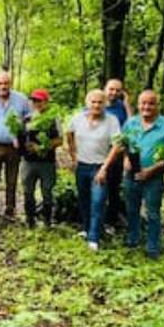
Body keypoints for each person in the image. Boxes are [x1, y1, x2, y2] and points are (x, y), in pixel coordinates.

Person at [99, 90, 164, 258]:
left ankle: (152, 246)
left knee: (153, 212)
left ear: (157, 105)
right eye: (143, 103)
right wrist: (125, 158)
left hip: (154, 176)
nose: (146, 107)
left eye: (151, 103)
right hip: (131, 174)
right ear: (138, 105)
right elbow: (122, 144)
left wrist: (151, 170)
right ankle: (133, 238)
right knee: (132, 209)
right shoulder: (131, 123)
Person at [67, 89, 120, 250]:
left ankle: (94, 237)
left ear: (105, 104)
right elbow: (69, 134)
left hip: (100, 167)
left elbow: (117, 145)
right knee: (84, 199)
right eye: (93, 102)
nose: (96, 105)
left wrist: (105, 167)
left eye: (100, 102)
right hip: (82, 165)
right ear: (87, 103)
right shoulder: (77, 118)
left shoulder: (112, 120)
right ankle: (86, 227)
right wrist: (73, 155)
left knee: (98, 200)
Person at [0, 70, 30, 216]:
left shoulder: (21, 99)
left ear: (11, 83)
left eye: (6, 83)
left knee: (12, 178)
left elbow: (28, 119)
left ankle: (10, 206)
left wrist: (21, 129)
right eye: (0, 83)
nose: (3, 86)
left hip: (13, 147)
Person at [19, 89, 62, 228]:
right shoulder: (26, 119)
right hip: (28, 161)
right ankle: (30, 220)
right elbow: (20, 138)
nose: (37, 103)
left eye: (39, 100)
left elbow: (60, 140)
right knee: (27, 191)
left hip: (47, 162)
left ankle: (47, 221)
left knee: (47, 191)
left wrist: (44, 146)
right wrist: (25, 145)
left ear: (46, 102)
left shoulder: (54, 119)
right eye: (34, 100)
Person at [103, 78, 133, 228]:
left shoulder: (122, 107)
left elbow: (133, 125)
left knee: (114, 187)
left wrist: (127, 105)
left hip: (117, 152)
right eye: (111, 89)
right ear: (105, 89)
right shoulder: (97, 104)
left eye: (117, 90)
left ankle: (111, 221)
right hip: (98, 152)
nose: (113, 93)